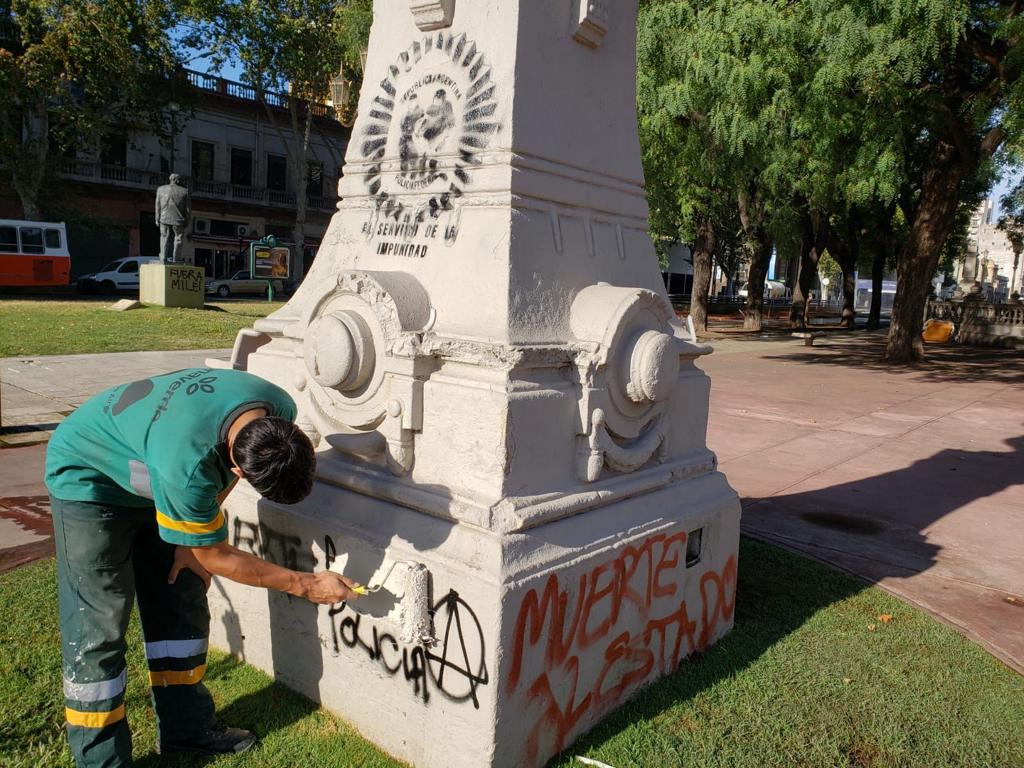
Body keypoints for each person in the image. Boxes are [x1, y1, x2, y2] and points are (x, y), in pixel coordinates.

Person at [44, 367, 360, 767]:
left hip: (156, 466)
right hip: (90, 480)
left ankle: (187, 728)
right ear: (240, 469)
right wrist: (308, 584)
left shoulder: (278, 403)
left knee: (181, 598)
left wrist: (192, 542)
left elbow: (213, 492)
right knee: (99, 624)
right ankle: (102, 759)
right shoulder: (188, 468)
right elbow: (216, 555)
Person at [155, 174, 190, 264]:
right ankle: (176, 258)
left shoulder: (160, 189)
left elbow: (157, 205)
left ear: (170, 179)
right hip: (178, 219)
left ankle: (163, 258)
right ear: (177, 180)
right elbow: (187, 209)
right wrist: (187, 221)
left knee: (164, 237)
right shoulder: (185, 191)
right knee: (178, 239)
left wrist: (157, 217)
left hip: (164, 218)